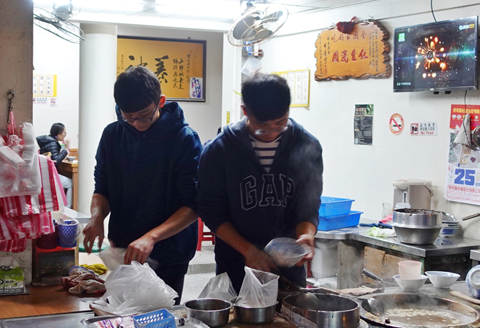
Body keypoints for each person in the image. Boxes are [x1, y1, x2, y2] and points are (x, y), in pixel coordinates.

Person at [82, 67, 202, 302]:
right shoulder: (112, 135)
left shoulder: (183, 139)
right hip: (125, 249)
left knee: (161, 321)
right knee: (122, 319)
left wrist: (152, 237)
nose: (137, 123)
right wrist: (97, 218)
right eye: (129, 117)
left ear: (161, 101)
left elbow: (193, 205)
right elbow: (101, 188)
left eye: (145, 116)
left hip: (169, 251)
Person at [197, 73, 323, 291]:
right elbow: (211, 211)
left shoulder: (306, 145)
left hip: (289, 270)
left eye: (280, 123)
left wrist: (306, 235)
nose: (271, 133)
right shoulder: (220, 150)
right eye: (262, 126)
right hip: (236, 267)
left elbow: (307, 205)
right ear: (245, 111)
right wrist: (249, 251)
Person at [37, 123, 72, 204]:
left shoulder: (48, 140)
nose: (65, 135)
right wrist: (66, 149)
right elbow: (55, 161)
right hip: (48, 174)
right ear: (58, 134)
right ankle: (67, 208)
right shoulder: (53, 143)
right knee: (70, 184)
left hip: (43, 173)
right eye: (64, 133)